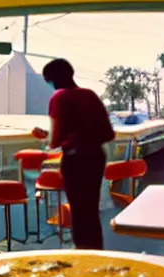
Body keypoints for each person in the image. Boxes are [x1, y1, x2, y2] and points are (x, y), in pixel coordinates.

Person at [39, 58, 115, 250]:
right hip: (96, 156)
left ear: (52, 79)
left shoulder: (59, 97)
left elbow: (55, 140)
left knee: (79, 211)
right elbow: (109, 133)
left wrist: (44, 137)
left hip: (75, 160)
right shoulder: (90, 95)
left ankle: (82, 252)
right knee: (90, 208)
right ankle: (96, 250)